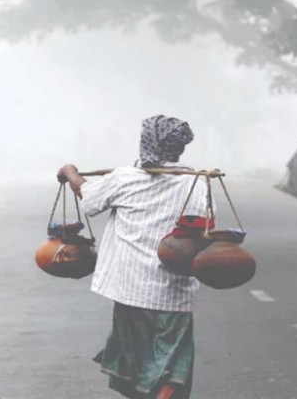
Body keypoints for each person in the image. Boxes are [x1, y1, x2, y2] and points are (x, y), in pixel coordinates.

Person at [57, 115, 210, 399]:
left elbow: (88, 197)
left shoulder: (125, 178)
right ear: (180, 147)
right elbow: (202, 226)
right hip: (173, 287)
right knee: (172, 354)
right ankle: (165, 392)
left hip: (131, 286)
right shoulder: (195, 182)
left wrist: (69, 171)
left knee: (136, 355)